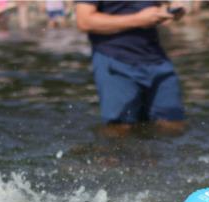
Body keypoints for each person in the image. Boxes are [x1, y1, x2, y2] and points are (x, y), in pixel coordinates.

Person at [75, 1, 186, 133]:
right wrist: (138, 20)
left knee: (174, 125)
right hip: (115, 60)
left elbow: (158, 5)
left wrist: (169, 10)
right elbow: (84, 21)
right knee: (119, 130)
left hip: (157, 59)